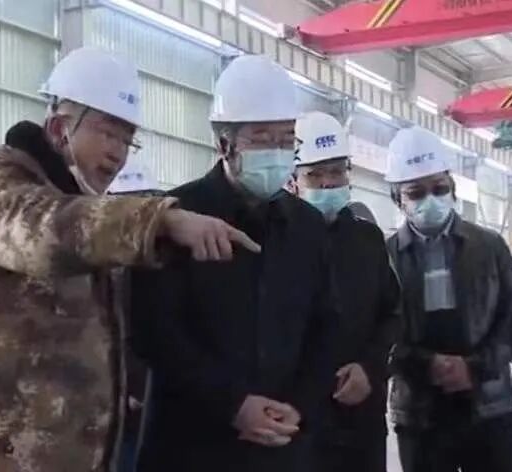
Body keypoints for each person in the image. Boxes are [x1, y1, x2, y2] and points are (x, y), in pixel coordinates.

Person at [0, 47, 260, 472]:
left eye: (127, 139)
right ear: (59, 128)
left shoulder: (83, 205)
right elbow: (44, 229)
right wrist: (160, 220)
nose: (118, 153)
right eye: (107, 133)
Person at [130, 54, 338, 472]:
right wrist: (232, 405)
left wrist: (299, 406)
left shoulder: (307, 227)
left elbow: (325, 326)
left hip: (281, 444)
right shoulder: (176, 217)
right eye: (262, 139)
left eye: (286, 139)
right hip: (191, 446)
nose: (277, 151)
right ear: (224, 144)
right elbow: (155, 331)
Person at [385, 126, 512, 472]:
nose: (430, 199)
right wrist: (424, 365)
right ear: (398, 198)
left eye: (439, 188)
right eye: (416, 192)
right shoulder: (383, 257)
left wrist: (475, 367)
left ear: (453, 188)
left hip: (489, 406)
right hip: (420, 414)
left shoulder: (490, 247)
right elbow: (376, 331)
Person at [292, 111, 401, 472]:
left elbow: (391, 314)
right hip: (299, 420)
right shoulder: (276, 241)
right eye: (315, 174)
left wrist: (370, 368)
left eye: (337, 171)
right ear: (293, 180)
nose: (328, 183)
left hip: (362, 416)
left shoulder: (367, 239)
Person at [106, 160, 163, 472]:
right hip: (117, 398)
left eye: (145, 202)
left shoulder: (163, 260)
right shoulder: (100, 266)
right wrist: (127, 387)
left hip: (154, 396)